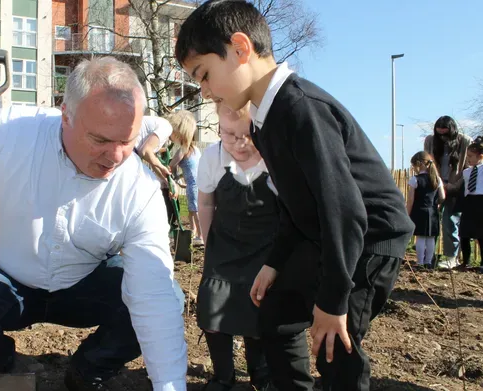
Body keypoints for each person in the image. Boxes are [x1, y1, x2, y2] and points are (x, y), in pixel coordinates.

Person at [0, 40, 186, 391]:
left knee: (167, 298)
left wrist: (171, 386)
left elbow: (153, 297)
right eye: (100, 139)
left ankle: (88, 369)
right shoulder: (8, 131)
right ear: (65, 114)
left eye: (127, 141)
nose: (115, 156)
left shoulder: (138, 188)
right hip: (1, 279)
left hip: (83, 285)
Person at [175, 2, 415, 390]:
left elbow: (345, 211)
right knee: (276, 314)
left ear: (240, 49)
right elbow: (294, 202)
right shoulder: (263, 119)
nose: (204, 91)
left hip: (368, 238)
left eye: (204, 75)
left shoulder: (301, 108)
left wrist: (334, 300)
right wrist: (274, 263)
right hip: (322, 233)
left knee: (335, 344)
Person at [195, 103, 273, 390]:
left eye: (247, 134)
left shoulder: (273, 159)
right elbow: (205, 201)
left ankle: (260, 374)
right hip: (223, 247)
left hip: (264, 250)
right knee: (213, 309)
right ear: (218, 129)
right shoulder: (212, 157)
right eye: (229, 134)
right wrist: (207, 241)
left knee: (258, 312)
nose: (239, 143)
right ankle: (223, 375)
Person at [424, 116, 472, 269]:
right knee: (431, 222)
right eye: (439, 134)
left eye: (445, 134)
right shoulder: (430, 141)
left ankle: (452, 258)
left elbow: (468, 169)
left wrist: (452, 187)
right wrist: (436, 184)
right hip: (435, 186)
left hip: (455, 188)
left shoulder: (464, 141)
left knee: (450, 223)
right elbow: (427, 164)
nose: (442, 137)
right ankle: (428, 257)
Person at [167, 110, 202, 244]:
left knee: (195, 210)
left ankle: (200, 236)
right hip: (197, 182)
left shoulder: (183, 149)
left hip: (193, 184)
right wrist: (180, 179)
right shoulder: (195, 149)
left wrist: (175, 179)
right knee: (192, 210)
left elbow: (171, 164)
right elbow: (191, 168)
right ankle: (193, 233)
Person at [406, 152, 445, 268]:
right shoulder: (437, 179)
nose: (413, 168)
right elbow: (442, 197)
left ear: (419, 164)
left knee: (420, 237)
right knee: (431, 237)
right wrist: (435, 204)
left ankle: (420, 262)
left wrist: (408, 214)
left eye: (413, 166)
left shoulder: (415, 179)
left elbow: (410, 200)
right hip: (432, 212)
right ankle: (428, 262)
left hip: (419, 211)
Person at [459, 137, 483, 271]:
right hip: (469, 202)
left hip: (481, 201)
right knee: (464, 232)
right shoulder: (466, 172)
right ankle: (465, 261)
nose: (468, 159)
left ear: (480, 156)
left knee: (481, 234)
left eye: (471, 156)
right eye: (467, 156)